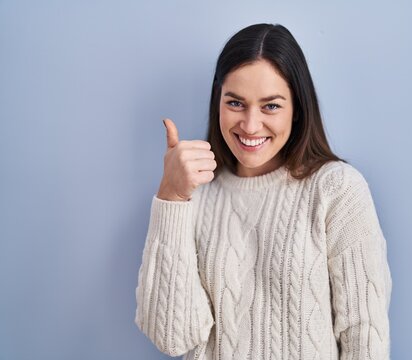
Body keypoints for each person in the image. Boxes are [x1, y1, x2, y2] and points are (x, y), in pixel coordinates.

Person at [134, 23, 392, 359]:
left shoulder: (337, 190)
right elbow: (173, 337)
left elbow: (364, 339)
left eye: (270, 106)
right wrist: (171, 196)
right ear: (218, 101)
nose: (251, 125)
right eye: (236, 103)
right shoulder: (194, 195)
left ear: (297, 108)